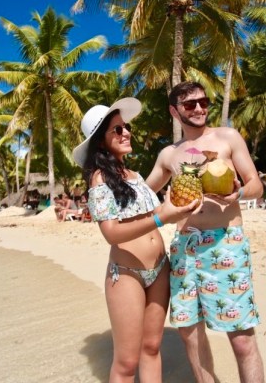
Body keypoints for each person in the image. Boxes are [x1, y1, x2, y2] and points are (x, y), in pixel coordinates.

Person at [72, 97, 200, 383]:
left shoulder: (136, 176)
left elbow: (153, 210)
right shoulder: (99, 179)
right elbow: (111, 233)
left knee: (152, 348)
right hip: (127, 274)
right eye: (116, 130)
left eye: (125, 126)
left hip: (160, 269)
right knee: (127, 362)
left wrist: (174, 207)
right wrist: (162, 217)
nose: (126, 132)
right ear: (101, 142)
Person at [146, 82, 265, 383]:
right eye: (189, 104)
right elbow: (144, 195)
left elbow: (256, 184)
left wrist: (238, 193)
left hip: (225, 242)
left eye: (203, 101)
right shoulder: (168, 155)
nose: (199, 108)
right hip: (184, 248)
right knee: (190, 335)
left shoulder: (227, 137)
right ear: (175, 111)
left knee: (241, 338)